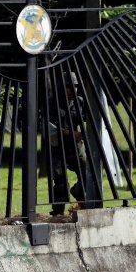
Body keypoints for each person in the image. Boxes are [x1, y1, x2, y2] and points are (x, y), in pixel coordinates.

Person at [49, 72, 87, 216]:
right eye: (68, 86)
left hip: (77, 146)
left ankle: (81, 199)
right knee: (60, 181)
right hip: (58, 146)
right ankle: (58, 212)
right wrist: (69, 133)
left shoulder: (80, 101)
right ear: (61, 86)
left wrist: (83, 133)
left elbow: (87, 121)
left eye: (75, 86)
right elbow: (49, 126)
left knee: (87, 174)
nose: (72, 89)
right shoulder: (52, 102)